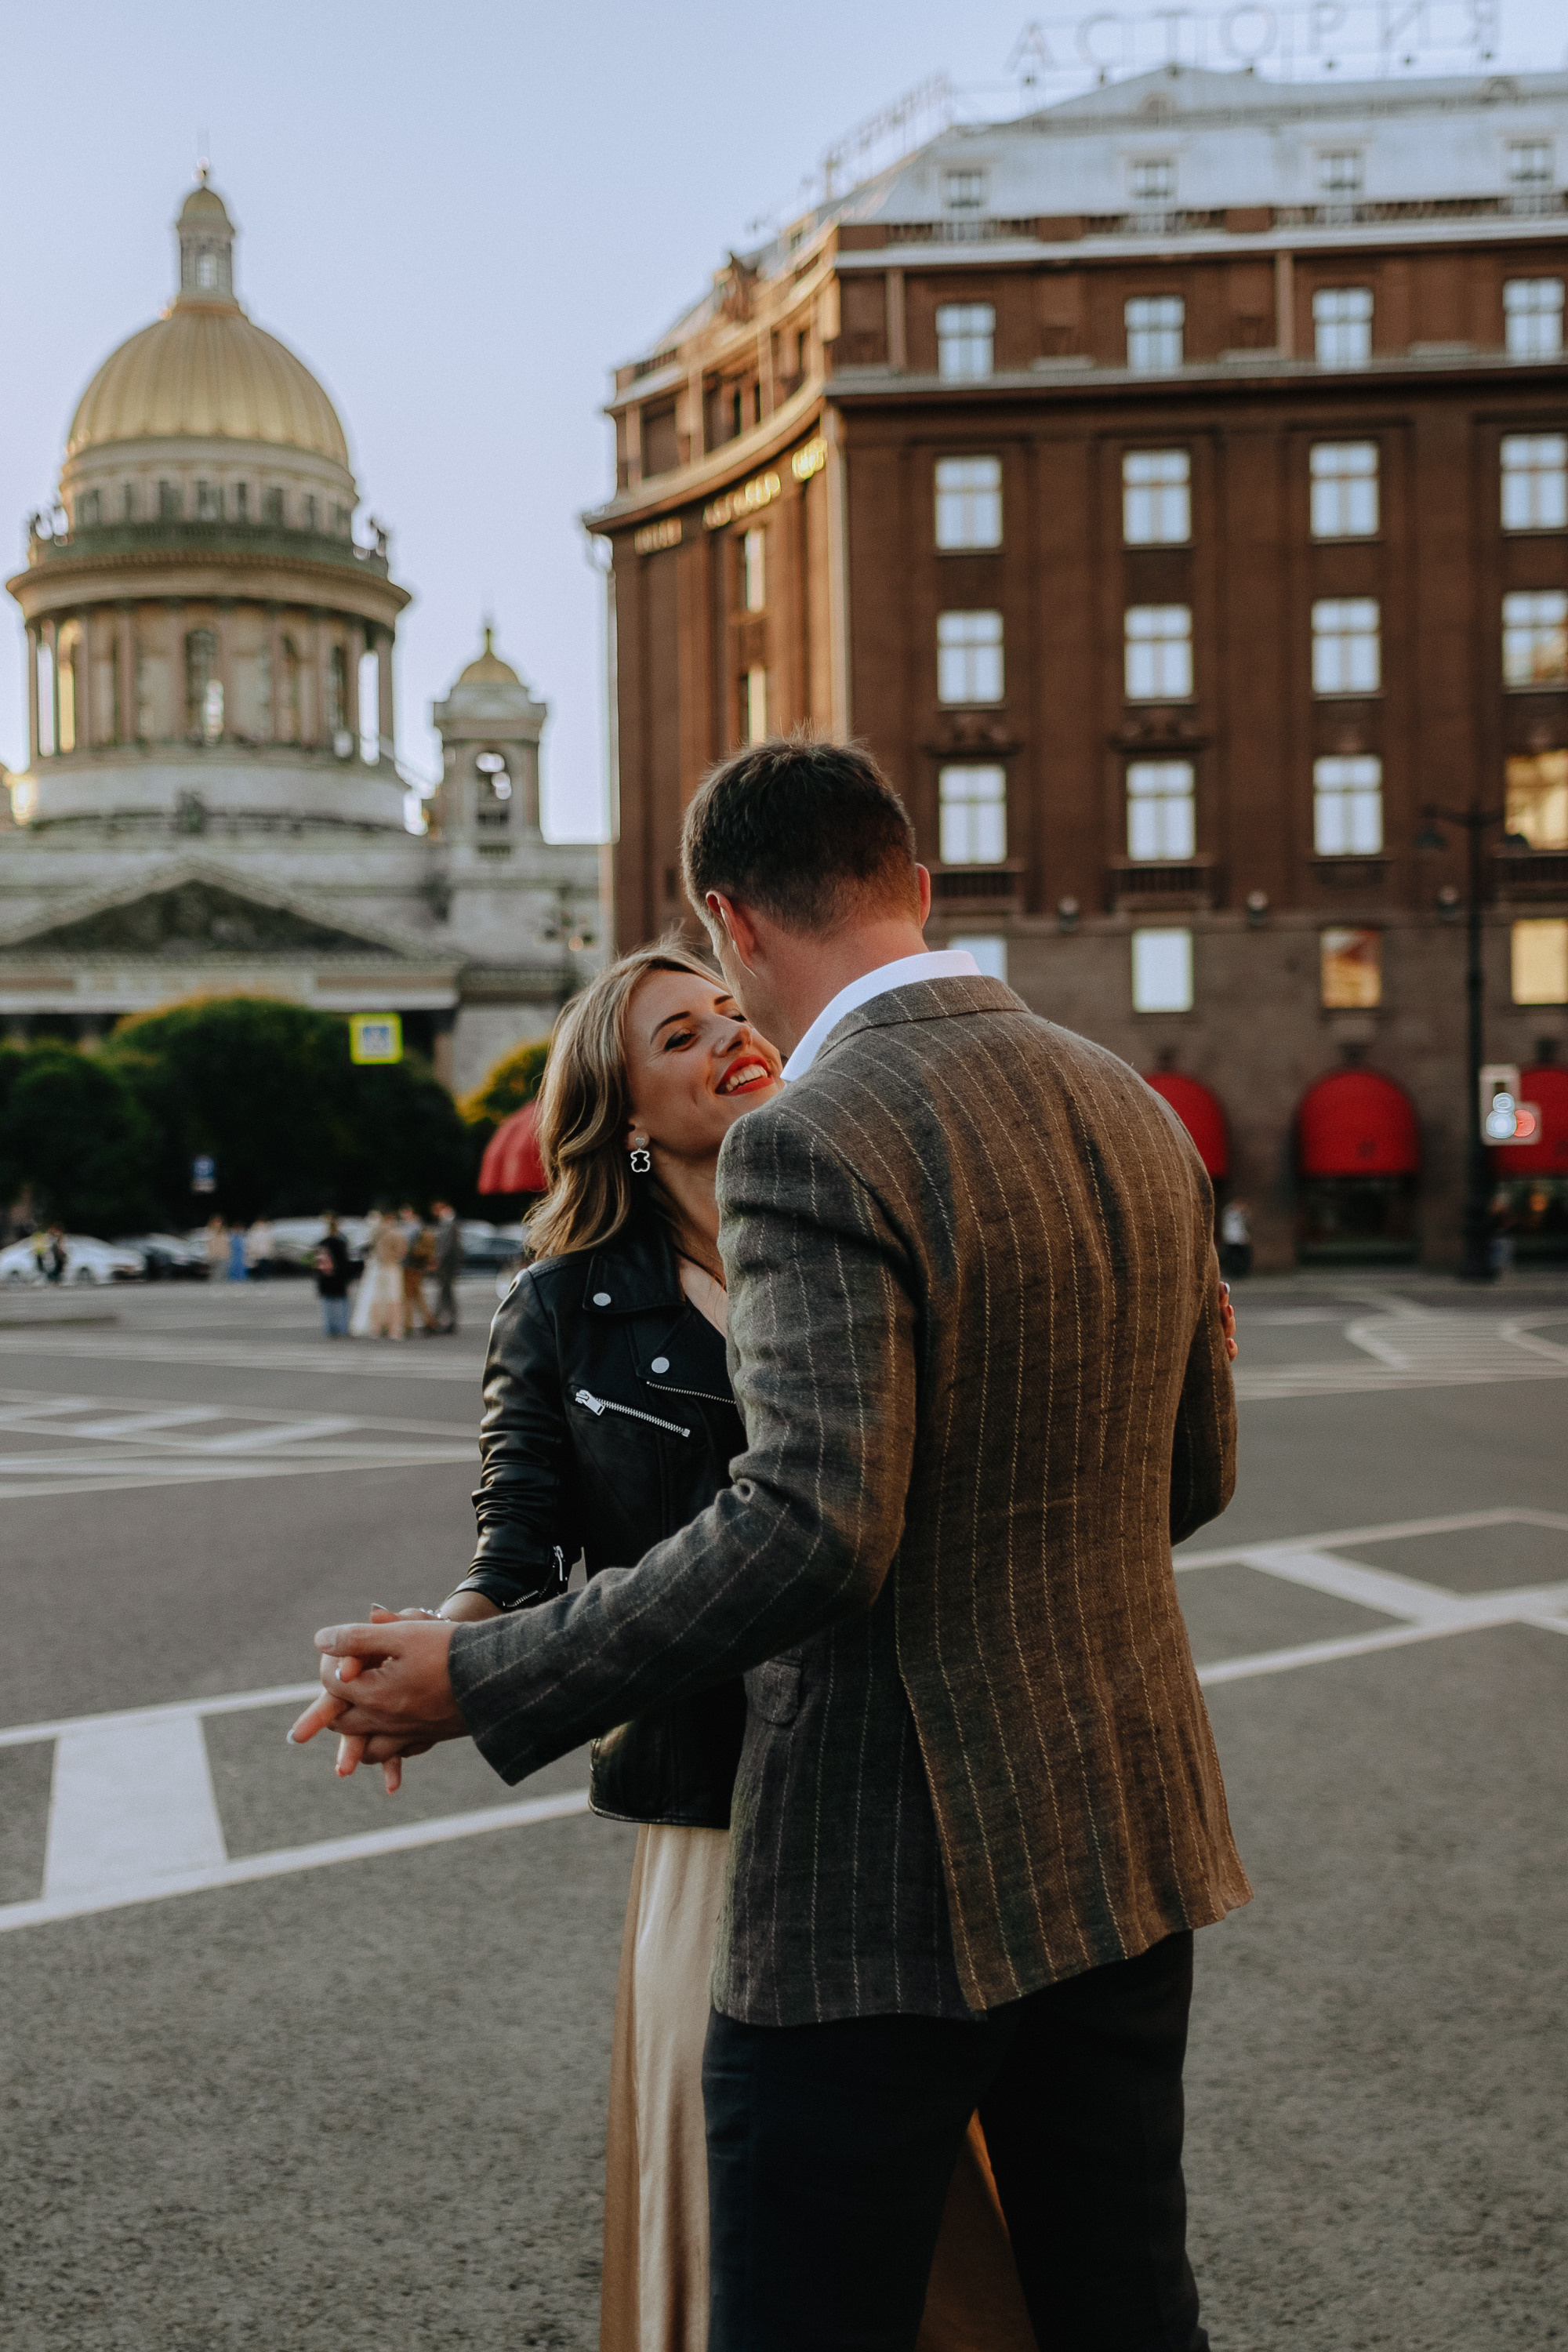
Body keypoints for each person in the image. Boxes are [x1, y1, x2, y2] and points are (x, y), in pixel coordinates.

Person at [294, 736, 1248, 2352]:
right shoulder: (1131, 1105)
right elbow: (1194, 1474)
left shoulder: (816, 1138)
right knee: (1120, 2306)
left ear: (731, 922)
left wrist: (483, 1678)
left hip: (876, 1876)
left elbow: (811, 1527)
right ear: (917, 887)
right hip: (1120, 1832)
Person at [310, 946, 1038, 2352]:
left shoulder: (863, 1219)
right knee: (749, 2197)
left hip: (913, 1770)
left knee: (949, 2198)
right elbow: (516, 1550)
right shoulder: (564, 1302)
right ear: (627, 1119)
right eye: (679, 1036)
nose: (728, 1038)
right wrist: (443, 1656)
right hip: (722, 1803)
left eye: (731, 1014)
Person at [357, 1210, 408, 1341]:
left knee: (377, 1299)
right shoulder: (396, 1233)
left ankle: (376, 1328)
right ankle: (394, 1330)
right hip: (392, 1267)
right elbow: (402, 1252)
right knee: (394, 1299)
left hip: (379, 1268)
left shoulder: (376, 1232)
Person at [400, 1205, 439, 1334]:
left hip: (409, 1266)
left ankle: (409, 1325)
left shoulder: (412, 1227)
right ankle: (429, 1322)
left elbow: (407, 1249)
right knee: (418, 1295)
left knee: (408, 1297)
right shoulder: (421, 1227)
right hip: (417, 1266)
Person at [314, 1214, 352, 1338]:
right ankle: (343, 1329)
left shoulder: (322, 1243)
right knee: (342, 1304)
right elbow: (345, 1262)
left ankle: (330, 1329)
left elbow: (316, 1262)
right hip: (339, 1278)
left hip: (325, 1278)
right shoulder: (341, 1243)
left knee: (327, 1304)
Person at [429, 1199, 462, 1334]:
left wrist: (437, 1260)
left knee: (445, 1293)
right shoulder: (449, 1222)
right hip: (449, 1264)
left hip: (448, 1265)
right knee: (446, 1293)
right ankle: (444, 1320)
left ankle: (443, 1321)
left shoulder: (449, 1222)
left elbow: (446, 1246)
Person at [1219, 1196, 1253, 1279]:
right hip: (1231, 1238)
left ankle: (1240, 1273)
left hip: (1240, 1238)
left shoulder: (1242, 1213)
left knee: (1242, 1256)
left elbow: (1247, 1224)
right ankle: (1232, 1273)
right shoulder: (1228, 1212)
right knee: (1231, 1257)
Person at [204, 1216, 228, 1283]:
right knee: (213, 1275)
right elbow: (208, 1245)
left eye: (219, 1222)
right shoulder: (209, 1232)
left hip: (223, 1256)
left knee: (222, 1274)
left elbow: (226, 1245)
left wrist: (227, 1255)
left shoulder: (224, 1232)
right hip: (213, 1256)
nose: (218, 1223)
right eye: (216, 1221)